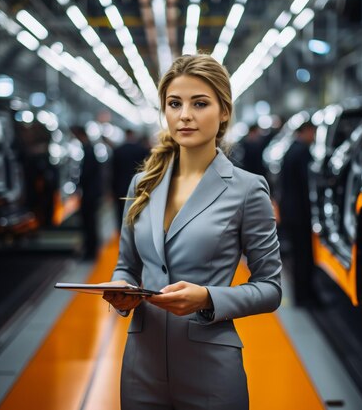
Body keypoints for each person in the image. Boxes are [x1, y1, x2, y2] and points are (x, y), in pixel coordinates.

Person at [102, 54, 282, 410]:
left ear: (224, 111)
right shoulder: (142, 184)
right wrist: (121, 289)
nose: (184, 115)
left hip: (211, 370)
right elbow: (127, 264)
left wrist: (208, 299)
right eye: (174, 103)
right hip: (142, 366)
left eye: (199, 103)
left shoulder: (247, 189)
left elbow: (270, 289)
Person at [278, 121, 317, 306]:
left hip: (290, 211)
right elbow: (306, 184)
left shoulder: (291, 149)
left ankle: (301, 295)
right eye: (313, 132)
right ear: (307, 131)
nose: (314, 137)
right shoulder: (302, 151)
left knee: (298, 254)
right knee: (304, 255)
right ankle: (305, 296)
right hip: (300, 212)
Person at [72, 125, 103, 259]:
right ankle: (92, 249)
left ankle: (91, 251)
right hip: (92, 192)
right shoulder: (90, 149)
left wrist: (78, 184)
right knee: (91, 222)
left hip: (89, 193)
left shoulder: (88, 150)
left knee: (89, 222)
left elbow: (86, 173)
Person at [111, 128, 150, 230]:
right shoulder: (142, 150)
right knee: (138, 211)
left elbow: (113, 172)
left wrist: (111, 189)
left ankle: (122, 232)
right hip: (139, 187)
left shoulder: (117, 151)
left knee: (121, 212)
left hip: (120, 187)